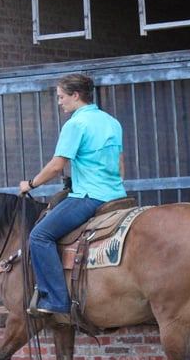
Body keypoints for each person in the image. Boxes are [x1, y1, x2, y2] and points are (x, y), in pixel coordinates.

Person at [19, 73, 127, 317]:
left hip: (89, 196)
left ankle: (56, 300)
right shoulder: (111, 121)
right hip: (118, 196)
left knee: (39, 235)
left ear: (76, 96)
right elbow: (120, 163)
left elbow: (57, 165)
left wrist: (30, 184)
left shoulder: (76, 124)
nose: (59, 102)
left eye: (61, 97)